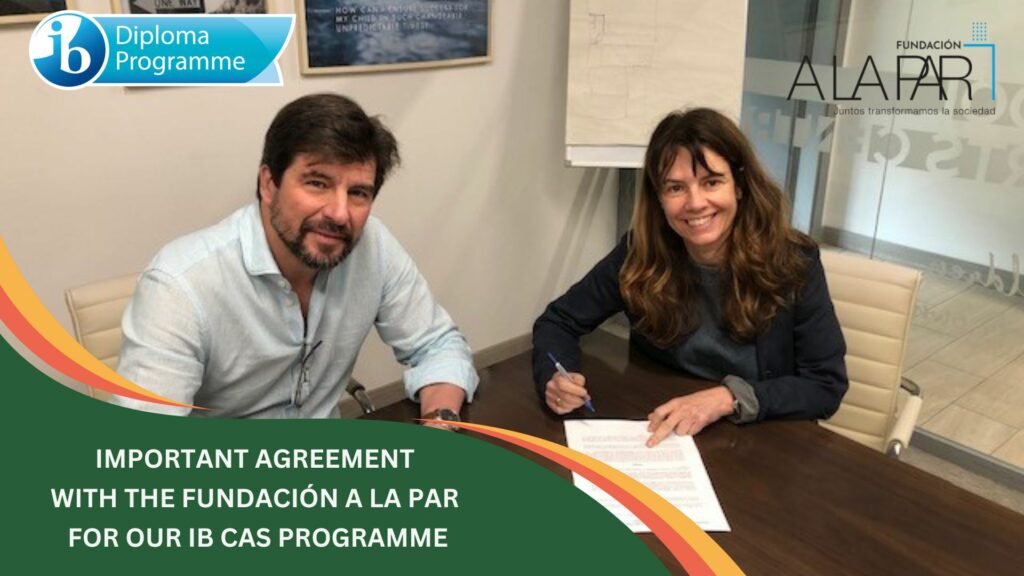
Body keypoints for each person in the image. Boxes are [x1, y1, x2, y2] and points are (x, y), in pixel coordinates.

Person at [114, 93, 477, 424]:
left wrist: (440, 420)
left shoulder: (373, 246)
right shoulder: (180, 286)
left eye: (358, 193)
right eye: (317, 183)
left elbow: (437, 345)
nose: (339, 214)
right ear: (268, 184)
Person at [532, 108, 847, 446]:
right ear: (659, 198)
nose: (695, 203)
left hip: (758, 441)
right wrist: (557, 375)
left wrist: (728, 398)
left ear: (739, 186)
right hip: (667, 433)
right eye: (675, 188)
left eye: (711, 182)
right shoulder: (639, 254)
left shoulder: (794, 262)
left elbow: (824, 386)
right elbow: (558, 321)